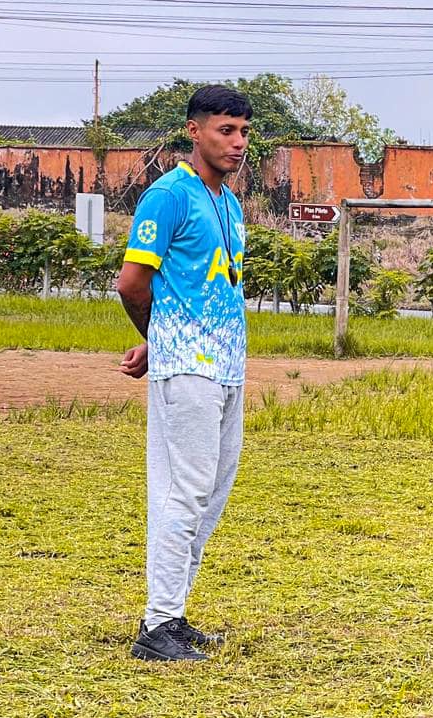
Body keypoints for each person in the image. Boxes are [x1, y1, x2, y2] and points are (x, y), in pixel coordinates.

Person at [114, 86, 252, 663]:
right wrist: (161, 337)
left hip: (227, 366)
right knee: (184, 492)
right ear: (195, 131)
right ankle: (157, 627)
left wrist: (158, 337)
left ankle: (171, 613)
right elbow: (132, 283)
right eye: (226, 130)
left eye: (244, 132)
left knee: (212, 494)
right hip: (189, 367)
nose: (238, 143)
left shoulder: (228, 202)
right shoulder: (168, 195)